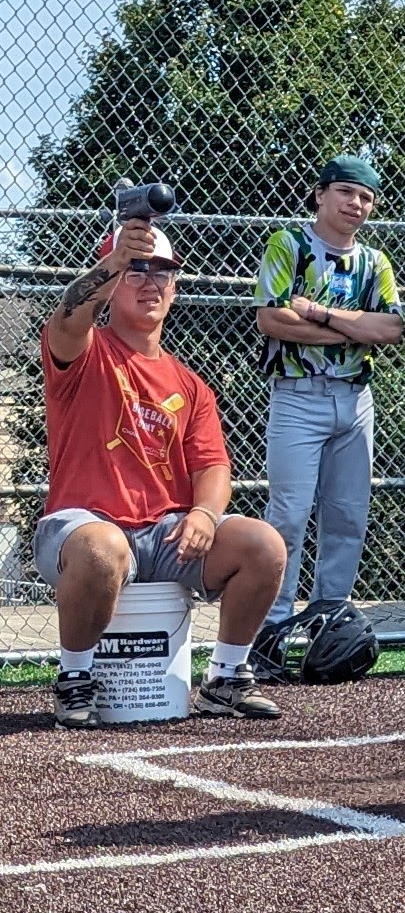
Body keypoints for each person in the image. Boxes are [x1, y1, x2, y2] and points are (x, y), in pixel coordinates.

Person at [37, 220, 287, 729]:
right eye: (137, 271)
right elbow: (68, 318)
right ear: (111, 281)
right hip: (82, 526)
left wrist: (203, 513)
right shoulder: (86, 350)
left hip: (164, 532)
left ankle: (226, 677)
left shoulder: (189, 384)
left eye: (163, 273)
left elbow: (213, 467)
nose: (151, 282)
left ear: (174, 289)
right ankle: (74, 678)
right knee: (102, 547)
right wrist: (112, 265)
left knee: (263, 544)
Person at [253, 156, 403, 626]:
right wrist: (356, 329)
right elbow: (272, 318)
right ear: (320, 194)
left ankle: (328, 617)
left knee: (347, 517)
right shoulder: (290, 244)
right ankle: (273, 624)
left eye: (365, 197)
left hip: (355, 400)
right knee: (289, 516)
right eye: (345, 192)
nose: (355, 204)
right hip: (297, 396)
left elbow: (392, 327)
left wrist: (318, 314)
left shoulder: (374, 261)